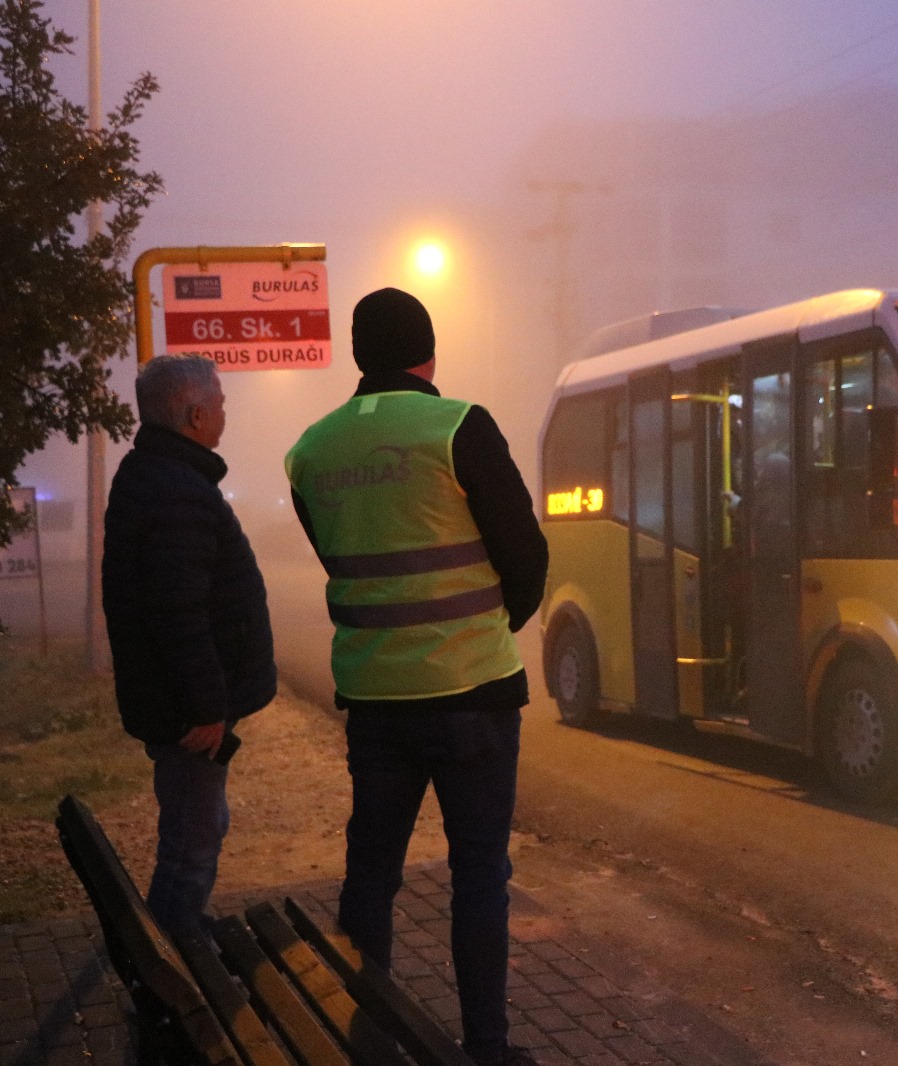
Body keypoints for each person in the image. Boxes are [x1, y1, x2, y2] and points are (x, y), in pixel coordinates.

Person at [285, 288, 549, 1066]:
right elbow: (525, 556)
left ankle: (363, 1038)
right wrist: (490, 629)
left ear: (359, 357)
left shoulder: (310, 451)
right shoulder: (457, 427)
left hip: (373, 698)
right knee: (478, 879)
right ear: (428, 354)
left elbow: (341, 558)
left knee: (370, 872)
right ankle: (488, 1051)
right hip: (473, 693)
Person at [102, 353, 277, 937]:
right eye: (220, 402)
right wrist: (207, 707)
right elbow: (179, 612)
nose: (225, 411)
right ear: (196, 415)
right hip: (187, 714)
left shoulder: (154, 475)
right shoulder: (177, 490)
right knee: (191, 844)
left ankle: (177, 947)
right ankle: (171, 978)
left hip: (172, 702)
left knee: (197, 829)